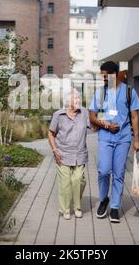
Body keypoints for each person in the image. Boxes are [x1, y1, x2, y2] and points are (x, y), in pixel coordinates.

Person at [89, 61, 139, 223]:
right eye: (102, 76)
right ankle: (104, 199)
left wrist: (137, 140)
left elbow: (134, 116)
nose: (104, 79)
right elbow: (92, 116)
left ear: (115, 74)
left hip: (123, 138)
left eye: (106, 76)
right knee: (104, 170)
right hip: (106, 137)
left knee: (118, 173)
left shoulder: (129, 92)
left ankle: (114, 206)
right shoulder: (100, 92)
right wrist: (104, 124)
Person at [48, 88, 90, 220]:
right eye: (75, 99)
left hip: (80, 154)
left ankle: (76, 206)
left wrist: (105, 122)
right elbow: (51, 134)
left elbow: (93, 126)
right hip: (63, 154)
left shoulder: (84, 113)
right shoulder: (58, 115)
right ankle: (66, 209)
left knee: (79, 180)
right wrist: (55, 150)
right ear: (68, 102)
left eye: (79, 98)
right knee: (65, 183)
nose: (78, 101)